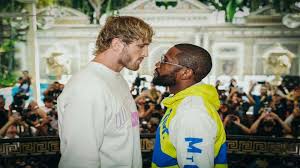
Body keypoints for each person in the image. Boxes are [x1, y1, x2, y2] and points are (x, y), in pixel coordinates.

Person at [57, 16, 153, 168]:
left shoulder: (116, 78)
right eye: (141, 46)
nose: (146, 53)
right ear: (116, 44)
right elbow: (80, 159)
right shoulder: (87, 87)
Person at [151, 44, 227, 168]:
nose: (158, 64)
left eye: (165, 61)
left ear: (185, 73)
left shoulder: (192, 113)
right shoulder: (183, 104)